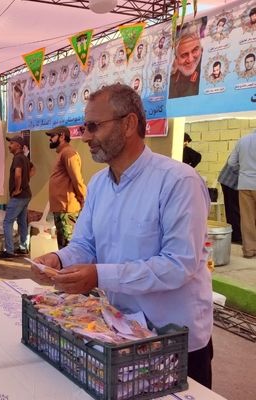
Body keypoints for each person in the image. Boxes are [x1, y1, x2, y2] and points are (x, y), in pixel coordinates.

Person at [34, 84, 214, 388]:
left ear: (129, 124)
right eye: (83, 127)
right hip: (121, 333)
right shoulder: (100, 184)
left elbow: (178, 266)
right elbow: (85, 244)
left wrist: (99, 276)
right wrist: (58, 259)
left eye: (93, 126)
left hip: (173, 340)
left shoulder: (178, 182)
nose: (86, 137)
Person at [46, 126, 86, 248]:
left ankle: (71, 268)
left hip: (67, 209)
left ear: (62, 136)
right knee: (63, 247)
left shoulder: (69, 153)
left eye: (52, 136)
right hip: (61, 208)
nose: (50, 140)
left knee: (68, 247)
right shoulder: (62, 153)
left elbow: (77, 179)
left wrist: (83, 199)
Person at [0, 135, 32, 258]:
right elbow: (33, 170)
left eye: (11, 143)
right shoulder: (25, 158)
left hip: (19, 196)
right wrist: (26, 182)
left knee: (7, 222)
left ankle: (9, 251)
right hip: (26, 194)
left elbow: (17, 174)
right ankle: (23, 247)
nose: (9, 145)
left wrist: (17, 189)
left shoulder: (18, 158)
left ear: (18, 145)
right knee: (22, 221)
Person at [228, 130, 256, 258]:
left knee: (247, 218)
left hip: (245, 184)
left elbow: (231, 163)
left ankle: (249, 250)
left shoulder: (243, 140)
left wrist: (243, 170)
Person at [169, 31, 203, 98]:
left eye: (195, 50)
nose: (190, 59)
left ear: (201, 49)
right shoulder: (170, 80)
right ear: (175, 58)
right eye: (184, 55)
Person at [218, 158, 243, 244]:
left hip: (239, 182)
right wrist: (244, 173)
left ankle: (236, 235)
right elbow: (232, 163)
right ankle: (236, 237)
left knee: (235, 209)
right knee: (233, 209)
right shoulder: (243, 145)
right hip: (230, 180)